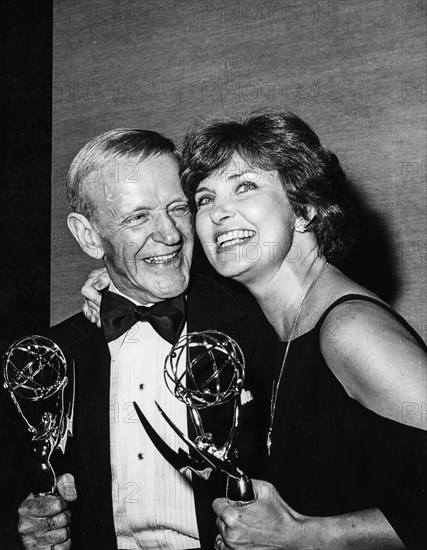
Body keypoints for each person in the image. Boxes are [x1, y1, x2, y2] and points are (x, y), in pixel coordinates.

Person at [78, 112, 427, 549]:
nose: (219, 213)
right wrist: (116, 281)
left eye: (245, 186)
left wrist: (304, 535)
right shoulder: (281, 329)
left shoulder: (350, 330)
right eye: (203, 199)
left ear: (304, 207)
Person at [1, 128, 277, 550]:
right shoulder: (50, 360)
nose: (169, 234)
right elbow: (23, 495)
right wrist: (32, 527)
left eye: (177, 208)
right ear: (89, 236)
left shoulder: (262, 324)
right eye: (137, 217)